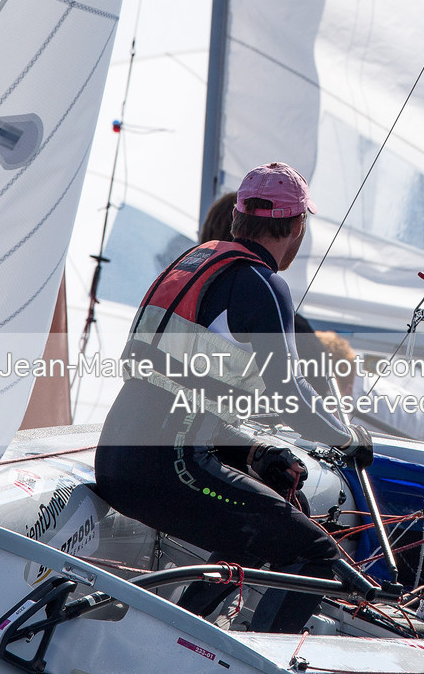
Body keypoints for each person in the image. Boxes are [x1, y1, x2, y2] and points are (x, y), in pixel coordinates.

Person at [95, 163, 352, 633]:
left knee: (259, 527)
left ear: (237, 218)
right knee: (312, 551)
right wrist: (348, 436)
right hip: (170, 468)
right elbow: (289, 392)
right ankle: (263, 671)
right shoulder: (261, 282)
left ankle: (173, 635)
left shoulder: (191, 265)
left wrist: (252, 451)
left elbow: (172, 396)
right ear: (297, 227)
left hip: (115, 461)